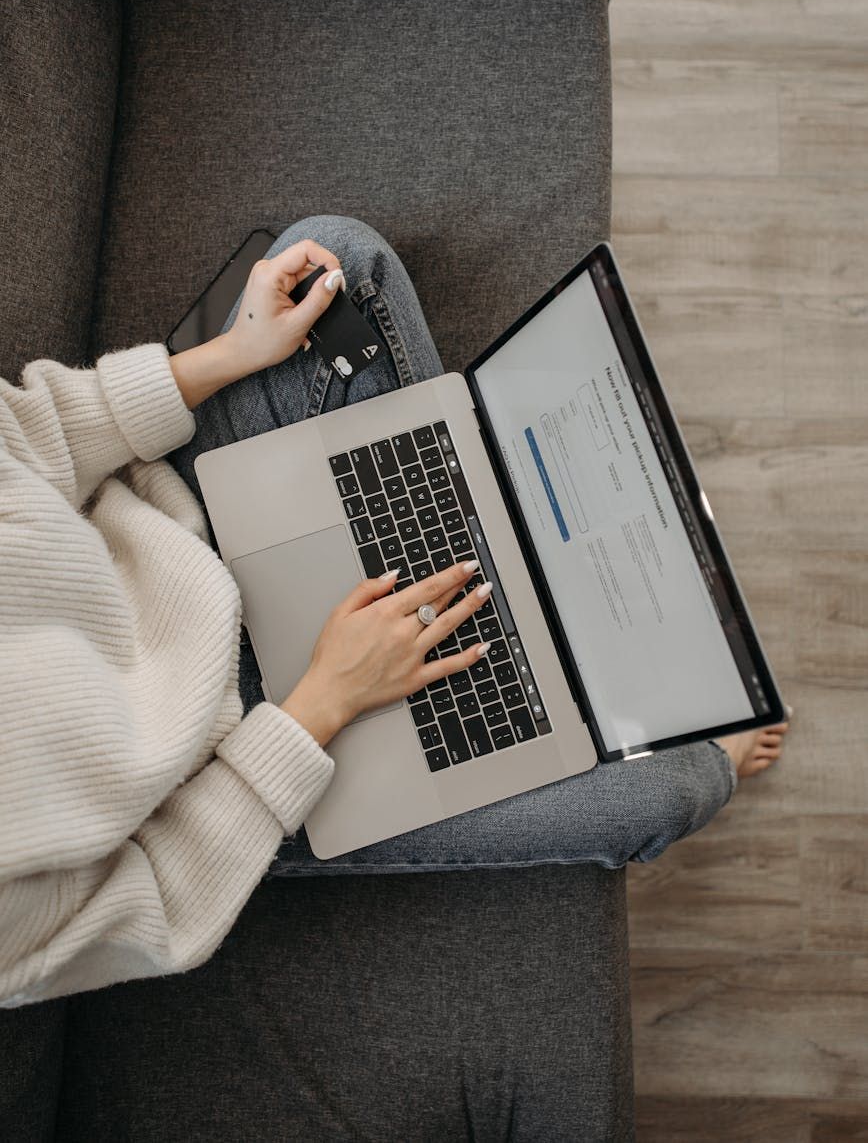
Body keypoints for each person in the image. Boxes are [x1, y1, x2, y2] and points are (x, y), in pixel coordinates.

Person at [0, 216, 789, 1006]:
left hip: (178, 520)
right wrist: (327, 699)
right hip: (247, 757)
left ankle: (518, 542)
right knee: (676, 785)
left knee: (340, 261)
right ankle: (560, 573)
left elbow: (32, 434)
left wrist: (230, 353)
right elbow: (159, 901)